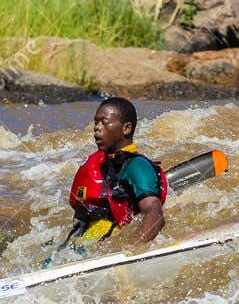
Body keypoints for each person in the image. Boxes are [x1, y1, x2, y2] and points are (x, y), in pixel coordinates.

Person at [67, 97, 167, 247]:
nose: (97, 128)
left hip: (103, 247)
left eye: (104, 122)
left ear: (126, 128)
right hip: (81, 243)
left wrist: (130, 249)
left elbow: (155, 215)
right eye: (96, 122)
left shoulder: (137, 166)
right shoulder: (103, 163)